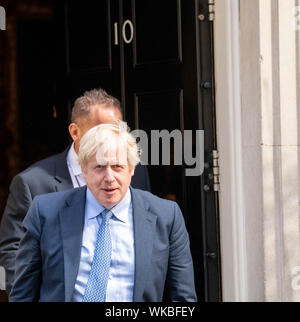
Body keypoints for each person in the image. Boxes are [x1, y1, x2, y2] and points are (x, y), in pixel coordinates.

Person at [9, 121, 196, 302]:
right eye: (99, 167)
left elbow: (182, 298)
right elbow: (22, 294)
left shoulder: (166, 216)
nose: (109, 178)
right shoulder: (46, 212)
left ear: (131, 169)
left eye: (117, 167)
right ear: (83, 170)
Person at [0, 89, 151, 294]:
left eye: (118, 130)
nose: (111, 138)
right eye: (102, 130)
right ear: (75, 132)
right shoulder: (31, 184)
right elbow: (13, 253)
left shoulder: (136, 171)